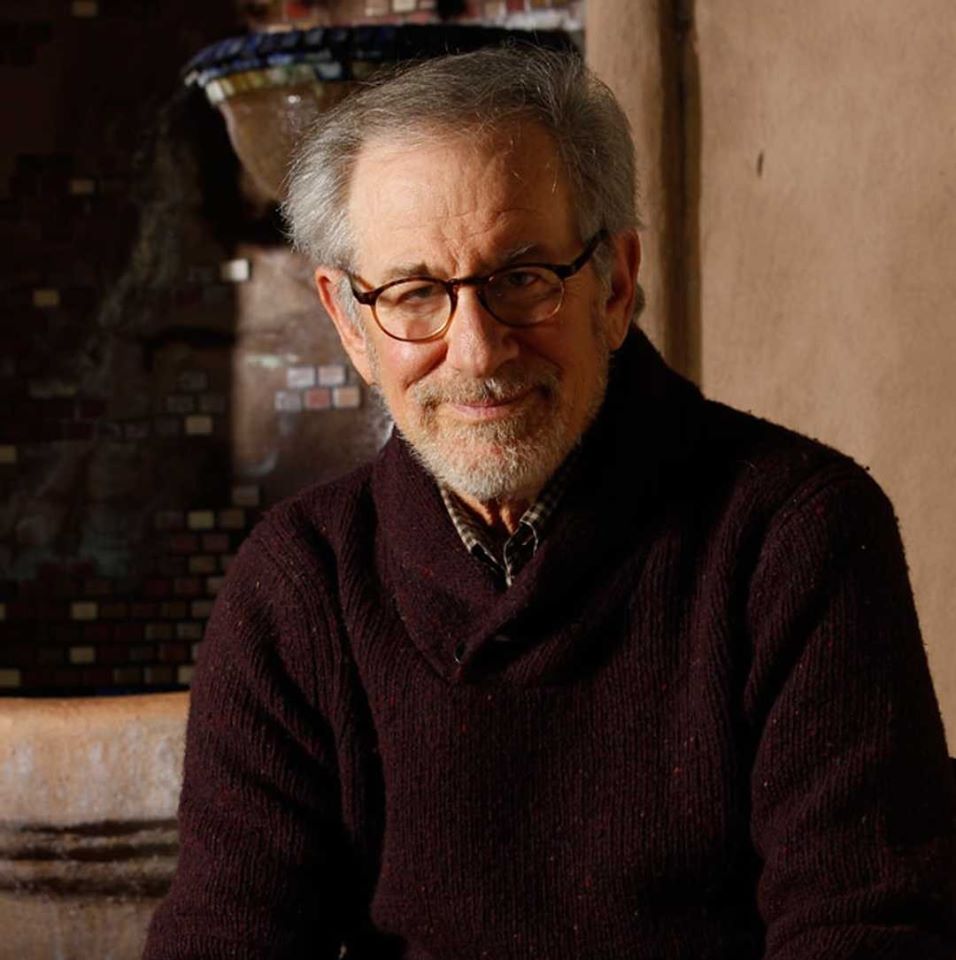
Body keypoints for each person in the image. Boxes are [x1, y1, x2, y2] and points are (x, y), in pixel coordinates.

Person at [144, 47, 956, 960]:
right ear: (351, 324)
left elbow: (868, 931)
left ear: (614, 284)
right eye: (415, 293)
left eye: (523, 279)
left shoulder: (796, 536)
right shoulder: (300, 583)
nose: (477, 350)